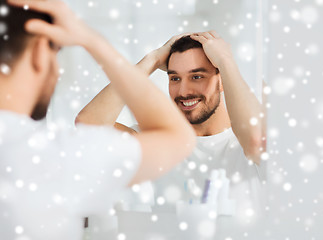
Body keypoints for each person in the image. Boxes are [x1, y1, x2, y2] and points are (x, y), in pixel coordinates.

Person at [0, 0, 196, 239]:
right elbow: (177, 138)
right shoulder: (48, 157)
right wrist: (91, 40)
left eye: (197, 76)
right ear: (41, 51)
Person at [77, 32, 267, 221]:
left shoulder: (246, 141)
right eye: (175, 78)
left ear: (222, 80)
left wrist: (226, 61)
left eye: (197, 77)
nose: (183, 91)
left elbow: (255, 139)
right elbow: (89, 126)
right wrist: (152, 60)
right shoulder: (161, 141)